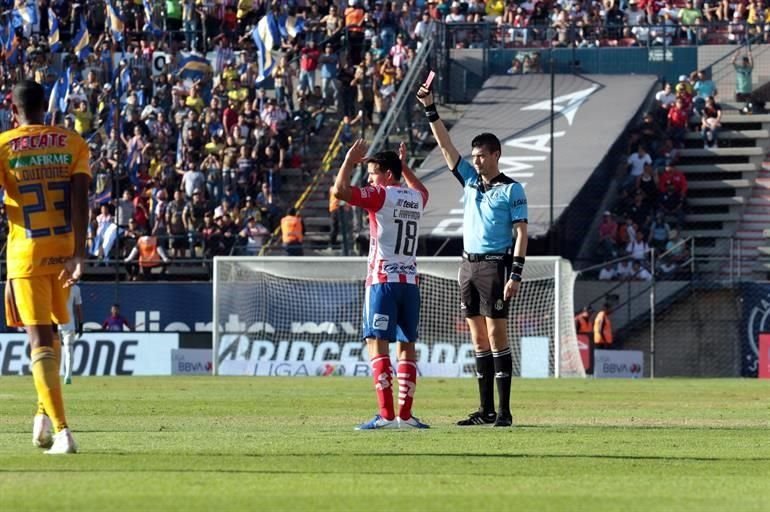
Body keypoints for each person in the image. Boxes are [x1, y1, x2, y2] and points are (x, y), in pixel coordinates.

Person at [417, 82, 528, 428]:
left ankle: (505, 411)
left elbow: (522, 232)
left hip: (495, 267)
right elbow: (446, 146)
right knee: (478, 338)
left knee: (497, 336)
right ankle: (485, 411)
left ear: (496, 154)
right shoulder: (469, 181)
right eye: (474, 155)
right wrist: (430, 108)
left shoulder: (511, 189)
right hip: (467, 265)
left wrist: (516, 274)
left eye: (481, 155)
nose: (476, 160)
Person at [0, 80, 91, 454]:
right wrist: (80, 253)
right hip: (64, 248)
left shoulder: (4, 145)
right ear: (45, 108)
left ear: (13, 109)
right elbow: (82, 199)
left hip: (26, 251)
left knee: (37, 338)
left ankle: (63, 429)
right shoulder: (72, 142)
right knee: (52, 334)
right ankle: (42, 415)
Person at [332, 139, 430, 430]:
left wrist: (349, 160)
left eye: (373, 173)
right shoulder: (417, 198)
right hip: (410, 282)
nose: (370, 178)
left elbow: (339, 191)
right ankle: (407, 415)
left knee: (377, 344)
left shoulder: (380, 195)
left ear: (387, 175)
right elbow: (421, 190)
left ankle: (387, 415)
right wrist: (405, 166)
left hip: (383, 281)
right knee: (407, 346)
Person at [58, 283, 83, 385]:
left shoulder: (54, 284)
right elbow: (78, 308)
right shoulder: (75, 288)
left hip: (58, 324)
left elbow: (78, 308)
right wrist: (81, 324)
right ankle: (68, 375)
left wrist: (80, 324)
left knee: (61, 350)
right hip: (67, 324)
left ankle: (66, 376)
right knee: (69, 350)